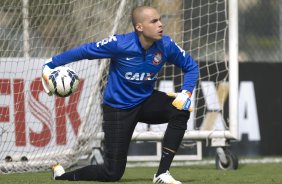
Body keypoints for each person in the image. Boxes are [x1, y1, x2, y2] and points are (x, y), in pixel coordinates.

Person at [42, 5, 199, 184]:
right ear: (139, 27)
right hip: (117, 109)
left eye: (160, 20)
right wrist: (52, 63)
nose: (160, 25)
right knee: (112, 173)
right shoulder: (119, 44)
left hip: (146, 100)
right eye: (154, 21)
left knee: (180, 109)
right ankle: (63, 176)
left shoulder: (166, 45)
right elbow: (84, 51)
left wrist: (186, 93)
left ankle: (162, 174)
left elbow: (191, 66)